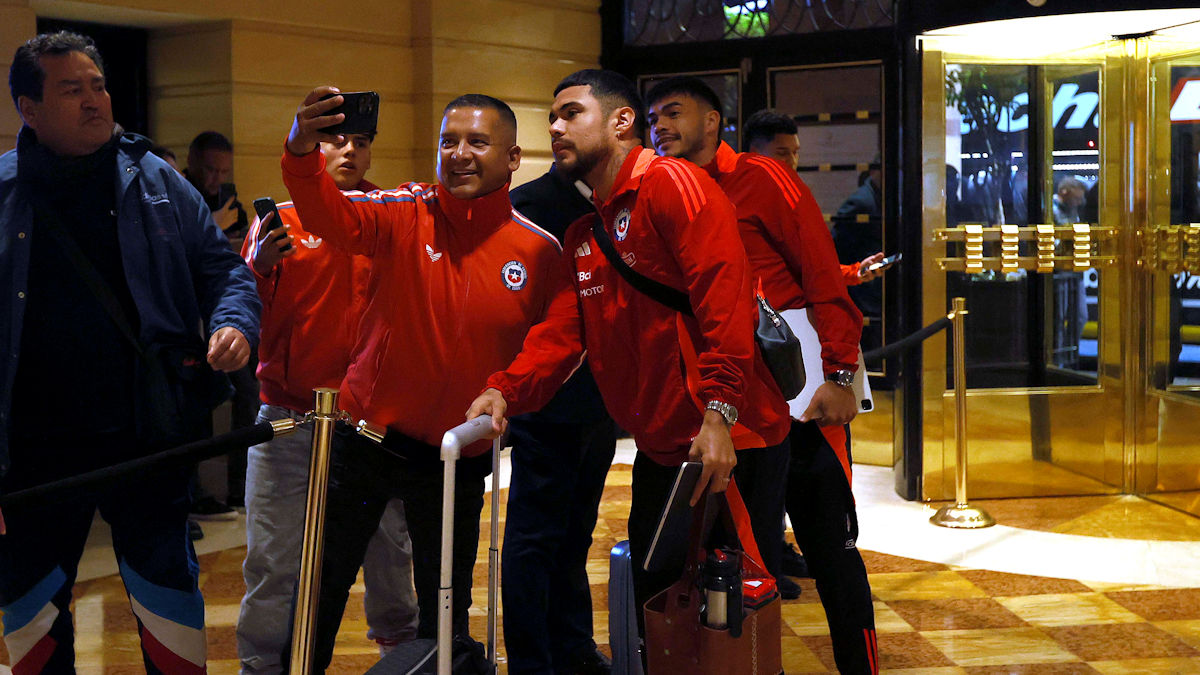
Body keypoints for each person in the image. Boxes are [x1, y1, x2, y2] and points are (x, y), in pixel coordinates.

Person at [465, 69, 792, 643]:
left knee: (737, 624)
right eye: (552, 118)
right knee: (662, 613)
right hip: (665, 448)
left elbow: (726, 304)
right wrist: (506, 389)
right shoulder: (587, 233)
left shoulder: (673, 183)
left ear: (621, 122)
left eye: (571, 113)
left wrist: (719, 417)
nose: (556, 127)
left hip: (728, 444)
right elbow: (563, 334)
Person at [0, 31, 259, 673]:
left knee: (168, 596)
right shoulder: (3, 192)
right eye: (71, 89)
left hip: (148, 434)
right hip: (33, 452)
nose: (95, 100)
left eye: (99, 85)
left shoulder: (156, 180)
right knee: (30, 612)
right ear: (28, 109)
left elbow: (224, 271)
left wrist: (234, 325)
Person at [280, 87, 563, 672]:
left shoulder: (538, 252)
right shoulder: (399, 213)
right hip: (365, 442)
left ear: (512, 158)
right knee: (320, 592)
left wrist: (508, 391)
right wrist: (300, 149)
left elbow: (557, 345)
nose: (458, 153)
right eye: (448, 141)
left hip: (455, 459)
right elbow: (326, 211)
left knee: (446, 604)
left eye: (477, 142)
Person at [645, 77, 877, 674]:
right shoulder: (661, 192)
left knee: (832, 547)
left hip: (801, 395)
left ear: (713, 121)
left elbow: (822, 272)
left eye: (674, 112)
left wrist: (841, 374)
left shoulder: (760, 176)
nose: (661, 126)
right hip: (732, 412)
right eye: (653, 117)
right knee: (741, 563)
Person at [237, 130, 419, 673]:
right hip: (288, 421)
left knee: (390, 553)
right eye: (333, 142)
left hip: (372, 421)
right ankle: (264, 667)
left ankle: (400, 653)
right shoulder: (280, 223)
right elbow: (244, 308)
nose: (348, 153)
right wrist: (259, 268)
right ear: (309, 152)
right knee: (273, 561)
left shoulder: (392, 216)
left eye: (359, 142)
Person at [502, 165, 617, 675]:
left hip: (604, 401)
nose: (559, 126)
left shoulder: (619, 202)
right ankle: (532, 661)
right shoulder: (529, 206)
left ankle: (572, 646)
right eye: (558, 116)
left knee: (577, 535)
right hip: (547, 401)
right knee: (534, 541)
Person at [185, 130, 258, 517]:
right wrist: (214, 224)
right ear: (193, 163)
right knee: (195, 405)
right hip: (185, 319)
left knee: (247, 393)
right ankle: (192, 493)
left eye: (222, 170)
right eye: (209, 169)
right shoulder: (178, 194)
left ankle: (237, 489)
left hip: (224, 313)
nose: (215, 178)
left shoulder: (231, 202)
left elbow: (236, 258)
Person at [742, 109, 887, 286]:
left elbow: (809, 263)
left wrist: (855, 272)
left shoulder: (792, 198)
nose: (792, 161)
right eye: (782, 153)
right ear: (755, 152)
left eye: (795, 153)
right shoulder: (731, 197)